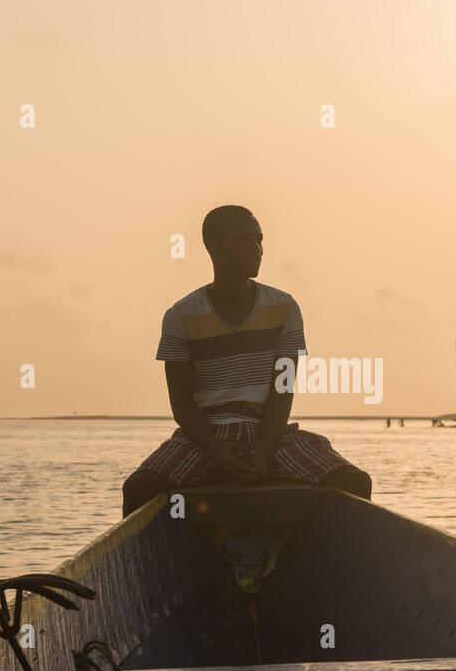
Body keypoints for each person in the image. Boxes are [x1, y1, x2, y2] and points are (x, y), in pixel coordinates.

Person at [122, 205, 372, 517]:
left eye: (259, 240)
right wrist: (218, 450)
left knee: (354, 482)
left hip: (270, 433)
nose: (256, 250)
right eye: (244, 240)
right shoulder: (181, 316)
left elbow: (282, 393)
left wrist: (264, 453)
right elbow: (182, 405)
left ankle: (333, 564)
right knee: (138, 489)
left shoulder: (284, 308)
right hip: (203, 437)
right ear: (213, 246)